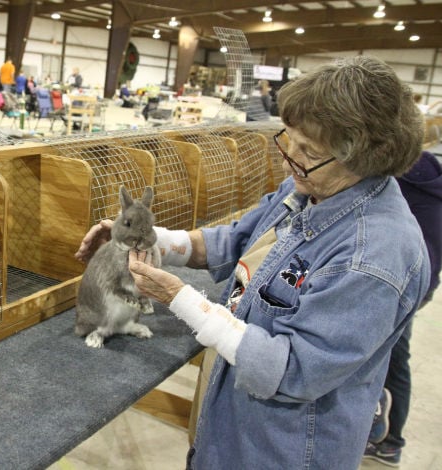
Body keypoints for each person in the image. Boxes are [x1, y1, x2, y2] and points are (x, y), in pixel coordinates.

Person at [74, 56, 430, 469]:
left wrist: (180, 299)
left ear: (361, 158)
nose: (288, 158)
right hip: (228, 424)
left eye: (308, 150)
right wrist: (153, 242)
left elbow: (293, 370)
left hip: (280, 449)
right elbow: (239, 240)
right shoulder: (310, 186)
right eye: (288, 138)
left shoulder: (373, 255)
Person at [364, 150, 442, 466]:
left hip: (401, 282)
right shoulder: (429, 173)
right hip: (421, 279)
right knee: (392, 356)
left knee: (390, 358)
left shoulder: (398, 174)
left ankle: (390, 439)